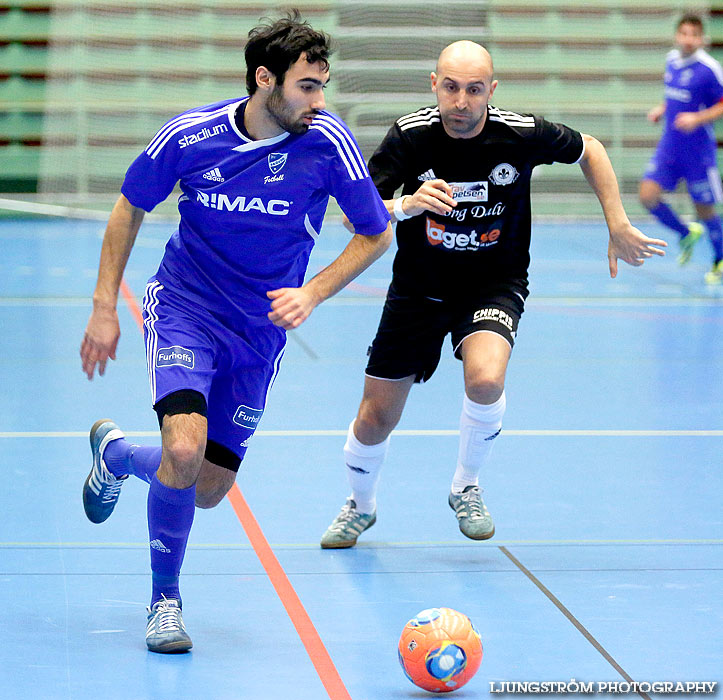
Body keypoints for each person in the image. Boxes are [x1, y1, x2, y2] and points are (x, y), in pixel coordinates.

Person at [79, 11, 392, 653]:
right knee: (185, 452)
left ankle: (115, 456)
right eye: (308, 86)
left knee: (208, 490)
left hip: (259, 333)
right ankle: (165, 601)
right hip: (186, 308)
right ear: (265, 80)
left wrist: (313, 291)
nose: (320, 100)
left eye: (323, 84)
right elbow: (130, 206)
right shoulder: (191, 136)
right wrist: (105, 304)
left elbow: (375, 231)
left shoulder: (327, 143)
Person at [320, 40, 666, 549]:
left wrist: (617, 222)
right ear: (434, 85)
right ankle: (361, 505)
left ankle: (465, 485)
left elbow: (589, 147)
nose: (461, 102)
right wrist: (406, 204)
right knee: (374, 419)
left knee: (485, 379)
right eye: (452, 88)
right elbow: (355, 214)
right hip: (418, 290)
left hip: (493, 283)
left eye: (474, 90)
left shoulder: (520, 134)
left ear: (491, 90)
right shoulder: (409, 138)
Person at [639, 13, 723, 284]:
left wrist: (696, 119)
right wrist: (661, 110)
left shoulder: (708, 69)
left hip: (698, 153)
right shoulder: (671, 61)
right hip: (670, 147)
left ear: (701, 39)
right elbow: (675, 97)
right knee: (648, 197)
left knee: (705, 211)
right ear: (677, 35)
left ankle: (719, 259)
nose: (688, 40)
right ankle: (686, 233)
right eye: (684, 33)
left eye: (694, 35)